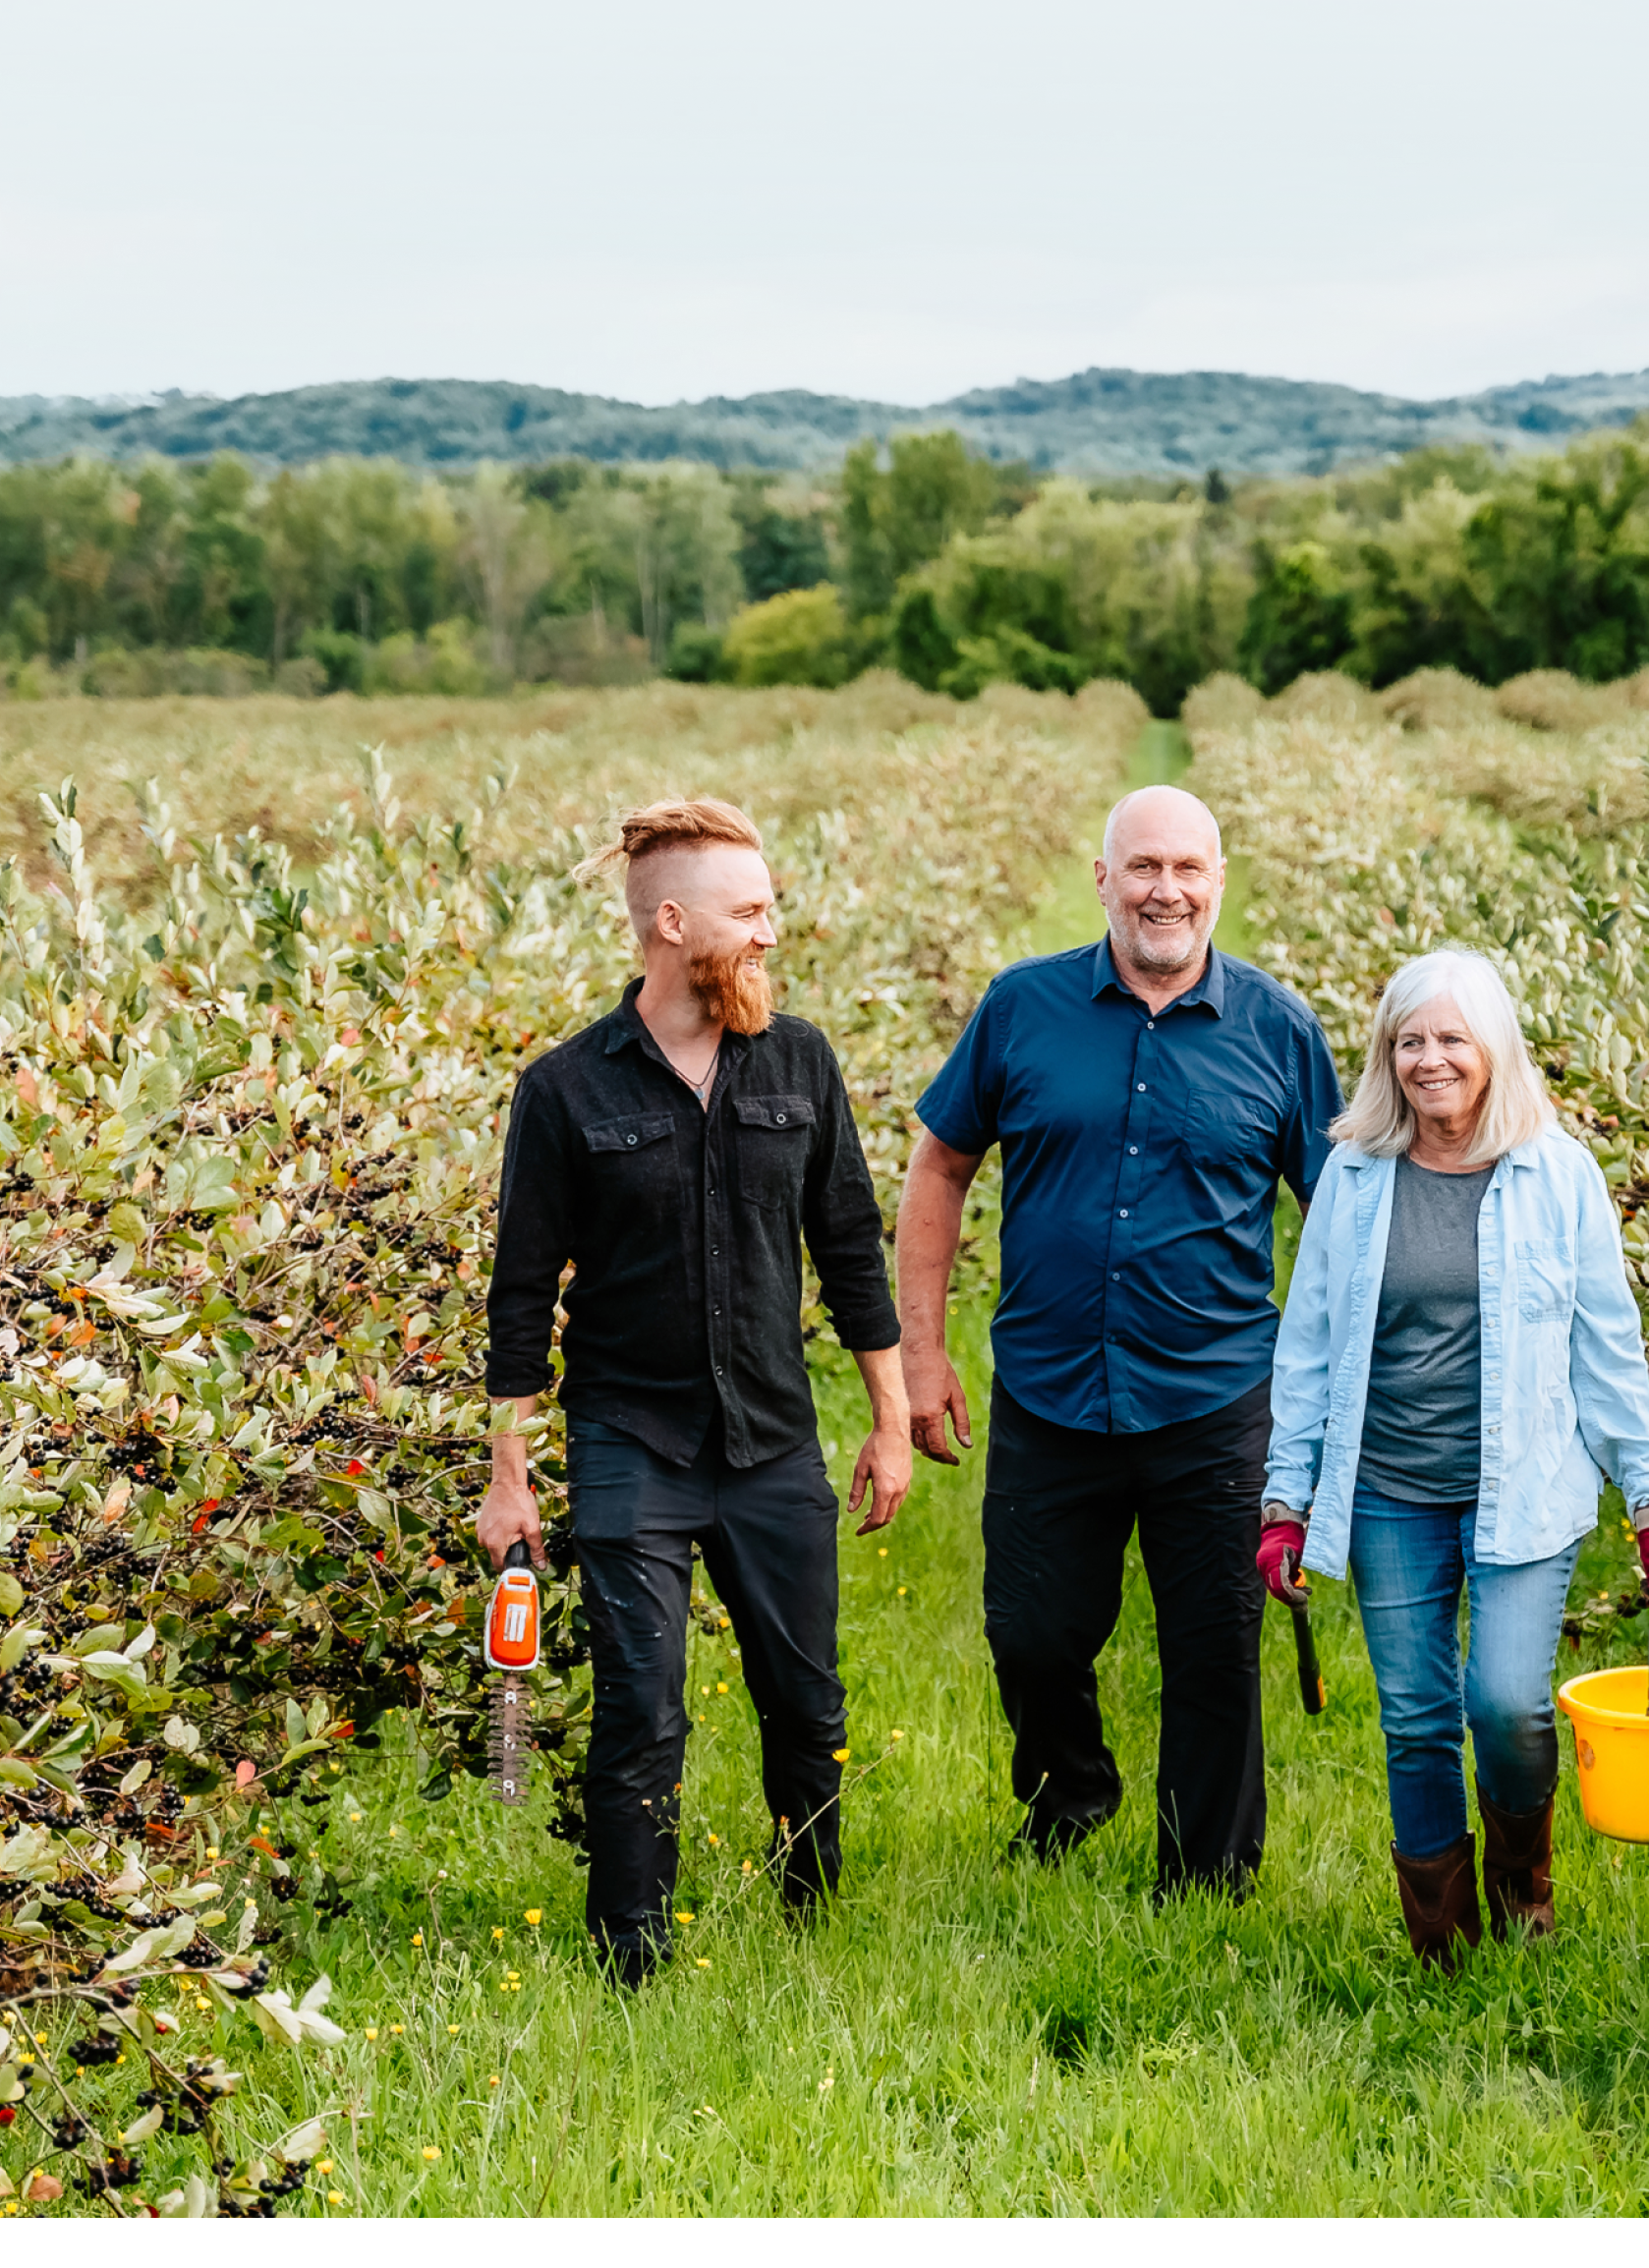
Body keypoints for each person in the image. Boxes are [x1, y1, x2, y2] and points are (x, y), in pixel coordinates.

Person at [479, 797, 913, 1985]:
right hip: (631, 1442)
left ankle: (811, 1915)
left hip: (773, 1441)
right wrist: (507, 1479)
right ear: (672, 925)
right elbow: (522, 1297)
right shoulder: (564, 1091)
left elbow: (850, 1249)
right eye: (752, 911)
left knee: (806, 1706)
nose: (772, 933)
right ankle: (633, 1960)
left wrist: (887, 1422)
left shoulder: (802, 1062)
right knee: (641, 1716)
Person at [898, 783, 1342, 1896]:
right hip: (1052, 1387)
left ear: (1219, 883)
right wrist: (920, 1350)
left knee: (1214, 1649)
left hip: (1217, 1394)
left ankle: (1205, 1879)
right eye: (1143, 867)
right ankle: (1073, 1788)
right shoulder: (1022, 1009)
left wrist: (1334, 1399)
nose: (1166, 890)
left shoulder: (1280, 1031)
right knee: (1033, 1636)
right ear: (1102, 880)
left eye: (1189, 868)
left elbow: (1340, 1222)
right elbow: (940, 1167)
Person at [1259, 945, 1649, 1966]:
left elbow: (1606, 1343)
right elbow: (1308, 1343)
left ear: (1494, 1050)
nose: (1429, 1060)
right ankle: (1440, 1948)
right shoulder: (1355, 1180)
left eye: (1451, 1038)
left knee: (1505, 1703)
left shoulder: (1558, 1175)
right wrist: (1288, 1500)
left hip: (1527, 1490)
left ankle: (1522, 1885)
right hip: (1390, 1492)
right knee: (1414, 1721)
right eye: (1409, 1041)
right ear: (1386, 1056)